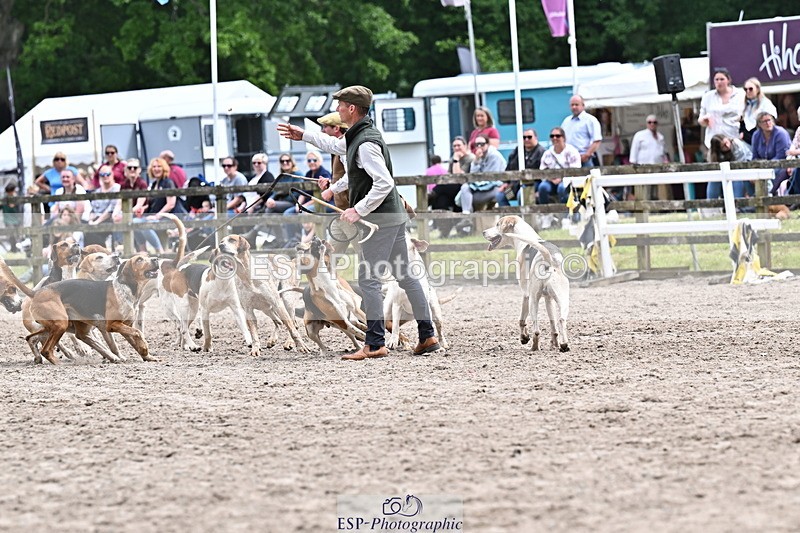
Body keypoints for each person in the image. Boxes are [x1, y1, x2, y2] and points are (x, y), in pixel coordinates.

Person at [277, 84, 440, 360]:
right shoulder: (359, 136)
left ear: (352, 108)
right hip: (392, 217)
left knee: (369, 280)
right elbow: (334, 145)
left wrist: (358, 210)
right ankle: (428, 335)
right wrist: (303, 135)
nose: (337, 109)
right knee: (406, 276)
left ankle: (375, 343)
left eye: (340, 105)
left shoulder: (365, 143)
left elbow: (384, 182)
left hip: (380, 221)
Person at [132, 157, 184, 253]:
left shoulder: (168, 182)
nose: (156, 169)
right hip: (153, 216)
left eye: (159, 166)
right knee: (134, 221)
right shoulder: (153, 184)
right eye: (154, 166)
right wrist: (143, 208)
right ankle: (143, 251)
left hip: (168, 217)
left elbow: (170, 204)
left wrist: (157, 216)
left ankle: (160, 251)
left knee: (143, 224)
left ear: (164, 168)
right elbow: (152, 203)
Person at [698, 67, 745, 149]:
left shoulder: (740, 94)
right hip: (714, 139)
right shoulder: (707, 96)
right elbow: (701, 119)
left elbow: (747, 116)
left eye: (722, 79)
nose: (719, 82)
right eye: (716, 79)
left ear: (728, 80)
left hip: (734, 138)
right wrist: (704, 120)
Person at [499, 128, 545, 206]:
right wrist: (506, 182)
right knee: (501, 196)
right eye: (524, 137)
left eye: (529, 137)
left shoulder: (541, 152)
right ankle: (509, 216)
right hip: (515, 186)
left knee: (522, 195)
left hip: (533, 185)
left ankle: (525, 217)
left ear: (536, 138)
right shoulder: (517, 151)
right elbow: (509, 168)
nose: (526, 139)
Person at [750, 112, 792, 195]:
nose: (768, 123)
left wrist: (765, 167)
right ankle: (753, 200)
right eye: (764, 121)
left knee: (771, 174)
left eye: (769, 120)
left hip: (780, 165)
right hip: (763, 166)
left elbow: (781, 156)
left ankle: (768, 196)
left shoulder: (780, 133)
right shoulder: (756, 135)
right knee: (749, 176)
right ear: (759, 124)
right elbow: (755, 156)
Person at [538, 127, 580, 204]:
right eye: (552, 136)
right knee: (542, 187)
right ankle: (544, 213)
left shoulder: (572, 151)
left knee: (562, 188)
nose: (554, 138)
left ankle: (565, 212)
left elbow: (575, 170)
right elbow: (542, 170)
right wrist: (551, 179)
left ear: (563, 137)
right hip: (550, 181)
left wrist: (561, 179)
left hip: (568, 180)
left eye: (558, 136)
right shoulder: (547, 153)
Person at [84, 164, 121, 247]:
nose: (105, 176)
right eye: (102, 175)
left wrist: (96, 222)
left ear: (112, 174)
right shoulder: (97, 191)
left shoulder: (117, 188)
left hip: (110, 219)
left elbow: (110, 210)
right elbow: (92, 209)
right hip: (96, 219)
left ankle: (102, 252)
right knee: (84, 229)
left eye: (108, 174)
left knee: (92, 234)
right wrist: (90, 220)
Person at [707, 134, 753, 199]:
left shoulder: (736, 144)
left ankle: (737, 205)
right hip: (726, 171)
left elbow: (740, 164)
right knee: (714, 180)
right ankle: (711, 204)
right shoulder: (714, 154)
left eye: (727, 143)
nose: (727, 146)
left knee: (736, 179)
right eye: (723, 146)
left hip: (744, 167)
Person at [560, 95, 602, 167]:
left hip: (585, 159)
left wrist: (586, 155)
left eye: (576, 104)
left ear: (583, 105)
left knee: (587, 178)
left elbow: (597, 140)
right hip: (569, 160)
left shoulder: (590, 120)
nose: (574, 107)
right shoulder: (566, 121)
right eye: (572, 105)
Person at [740, 78, 777, 145]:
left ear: (757, 89)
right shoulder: (745, 105)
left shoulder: (766, 103)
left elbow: (771, 122)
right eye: (745, 89)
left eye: (750, 89)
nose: (748, 91)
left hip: (761, 137)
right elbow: (742, 122)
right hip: (747, 138)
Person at [2, 182, 22, 250]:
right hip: (8, 219)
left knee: (18, 234)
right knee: (11, 234)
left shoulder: (17, 198)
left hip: (17, 219)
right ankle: (13, 248)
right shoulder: (4, 199)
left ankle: (17, 248)